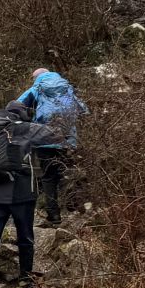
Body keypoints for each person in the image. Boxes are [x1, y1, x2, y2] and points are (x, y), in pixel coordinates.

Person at [0, 100, 62, 288]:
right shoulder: (24, 128)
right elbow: (55, 134)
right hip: (22, 194)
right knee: (25, 240)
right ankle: (26, 285)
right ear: (21, 114)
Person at [13, 67, 88, 225]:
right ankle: (74, 208)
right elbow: (84, 110)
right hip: (67, 139)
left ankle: (54, 216)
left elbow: (16, 105)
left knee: (48, 177)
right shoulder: (67, 88)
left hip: (44, 139)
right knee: (67, 173)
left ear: (36, 78)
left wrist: (27, 120)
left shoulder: (37, 88)